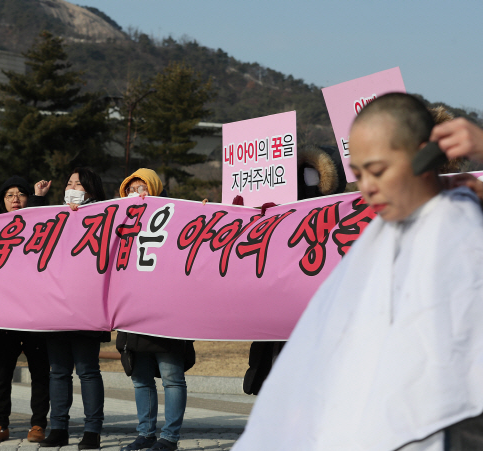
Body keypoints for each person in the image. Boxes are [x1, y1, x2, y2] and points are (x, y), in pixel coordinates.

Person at [233, 93, 483, 450]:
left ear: (425, 154)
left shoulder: (463, 224)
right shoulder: (379, 238)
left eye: (378, 171)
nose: (366, 187)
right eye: (360, 172)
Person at [116, 168, 195, 451]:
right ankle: (145, 433)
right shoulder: (118, 223)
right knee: (140, 378)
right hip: (132, 314)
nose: (137, 193)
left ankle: (170, 437)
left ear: (155, 190)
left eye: (143, 187)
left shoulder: (177, 218)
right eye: (131, 189)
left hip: (167, 313)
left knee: (172, 378)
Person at [37, 168, 110, 450]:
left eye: (78, 184)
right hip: (57, 305)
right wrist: (41, 200)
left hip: (88, 307)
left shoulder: (105, 215)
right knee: (58, 371)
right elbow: (37, 231)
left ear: (91, 190)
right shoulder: (57, 215)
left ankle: (92, 431)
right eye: (69, 183)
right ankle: (58, 428)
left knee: (88, 370)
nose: (72, 187)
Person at [0, 175, 50, 443]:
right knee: (1, 372)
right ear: (2, 201)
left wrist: (39, 200)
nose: (15, 199)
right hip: (5, 314)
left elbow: (43, 221)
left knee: (40, 372)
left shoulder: (41, 225)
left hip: (37, 314)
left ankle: (38, 425)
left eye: (20, 194)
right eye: (9, 194)